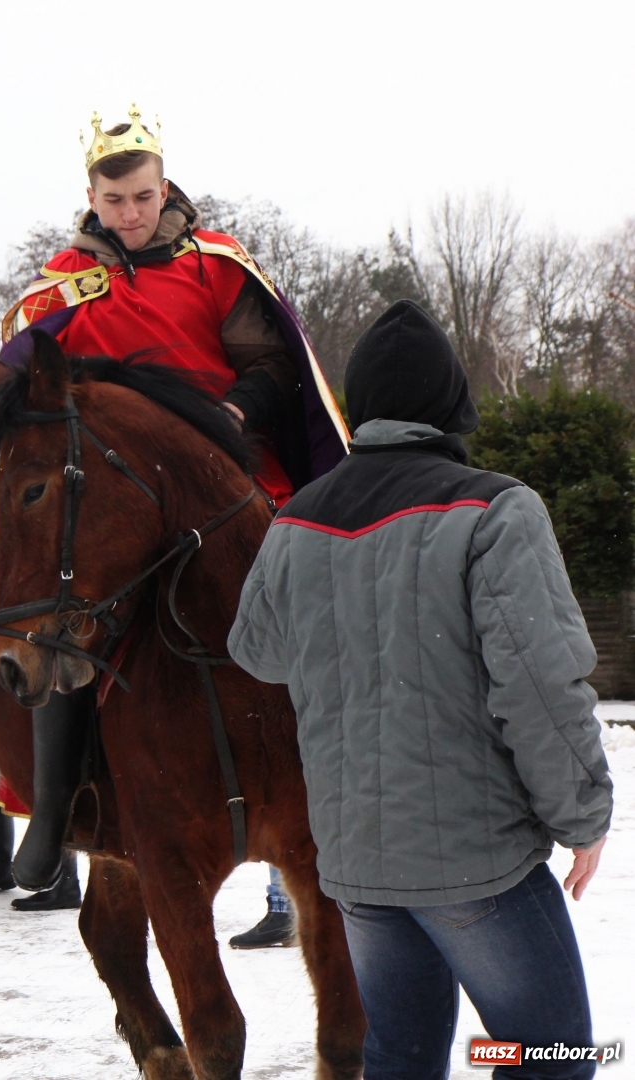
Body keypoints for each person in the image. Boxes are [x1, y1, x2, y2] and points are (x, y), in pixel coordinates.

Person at [0, 104, 348, 893]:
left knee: (311, 583)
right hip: (114, 494)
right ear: (91, 196)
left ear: (163, 186)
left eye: (143, 197)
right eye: (115, 202)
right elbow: (33, 398)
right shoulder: (57, 293)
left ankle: (335, 759)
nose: (132, 214)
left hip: (225, 471)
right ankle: (54, 808)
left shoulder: (221, 265)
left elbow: (271, 362)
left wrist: (235, 411)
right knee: (58, 611)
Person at [228, 301, 613, 1079]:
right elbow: (539, 682)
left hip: (359, 859)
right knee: (552, 1057)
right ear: (449, 402)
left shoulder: (297, 520)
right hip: (473, 863)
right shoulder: (496, 508)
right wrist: (583, 813)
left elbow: (257, 650)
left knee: (402, 1059)